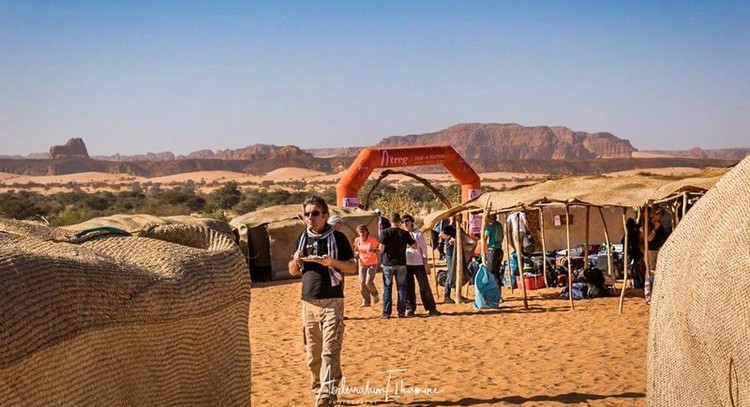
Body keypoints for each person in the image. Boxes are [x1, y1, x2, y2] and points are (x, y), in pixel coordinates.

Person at [288, 195, 356, 407]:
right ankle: (318, 390)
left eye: (315, 213)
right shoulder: (302, 239)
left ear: (325, 216)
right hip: (308, 303)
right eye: (307, 214)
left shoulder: (338, 238)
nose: (310, 217)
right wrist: (296, 260)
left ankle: (327, 395)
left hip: (332, 301)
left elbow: (352, 267)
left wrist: (332, 262)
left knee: (330, 350)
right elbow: (293, 271)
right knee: (312, 354)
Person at [378, 212, 416, 319]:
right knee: (402, 288)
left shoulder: (385, 232)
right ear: (399, 221)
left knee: (387, 288)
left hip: (388, 263)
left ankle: (386, 313)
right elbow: (414, 245)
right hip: (401, 263)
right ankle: (401, 312)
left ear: (391, 221)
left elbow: (381, 249)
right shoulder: (404, 233)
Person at [402, 214, 440, 316]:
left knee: (424, 286)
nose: (405, 223)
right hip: (407, 264)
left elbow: (424, 249)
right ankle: (410, 308)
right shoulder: (402, 234)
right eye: (403, 221)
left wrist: (425, 264)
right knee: (409, 287)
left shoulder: (418, 234)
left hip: (418, 264)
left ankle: (431, 308)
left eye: (407, 221)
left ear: (411, 222)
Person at [644, 207, 668, 304]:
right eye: (659, 215)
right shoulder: (649, 225)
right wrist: (655, 229)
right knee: (650, 272)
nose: (660, 217)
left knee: (657, 272)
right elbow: (649, 239)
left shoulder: (660, 226)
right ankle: (648, 295)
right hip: (652, 251)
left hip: (658, 250)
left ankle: (655, 293)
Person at [353, 224, 380, 307]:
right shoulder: (357, 240)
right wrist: (356, 254)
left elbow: (379, 249)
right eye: (360, 232)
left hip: (372, 263)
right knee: (362, 283)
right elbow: (356, 250)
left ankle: (375, 294)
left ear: (367, 232)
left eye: (363, 232)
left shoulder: (372, 239)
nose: (362, 234)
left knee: (368, 282)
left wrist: (373, 250)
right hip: (362, 263)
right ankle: (366, 301)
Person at [484, 214, 504, 294]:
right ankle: (498, 293)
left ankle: (493, 293)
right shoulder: (500, 225)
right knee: (497, 273)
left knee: (491, 272)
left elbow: (484, 237)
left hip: (493, 251)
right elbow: (502, 237)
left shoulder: (490, 227)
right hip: (499, 250)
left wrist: (485, 250)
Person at [439, 224, 458, 303]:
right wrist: (450, 238)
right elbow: (441, 234)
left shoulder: (457, 228)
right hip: (450, 255)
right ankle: (446, 296)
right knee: (450, 275)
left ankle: (457, 294)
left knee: (456, 274)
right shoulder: (449, 228)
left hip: (454, 254)